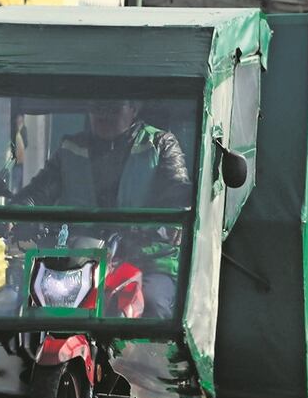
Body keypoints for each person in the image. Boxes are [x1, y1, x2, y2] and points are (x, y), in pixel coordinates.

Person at [15, 100, 191, 318]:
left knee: (153, 305)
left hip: (148, 258)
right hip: (79, 258)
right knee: (34, 309)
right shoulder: (70, 147)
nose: (103, 115)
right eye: (97, 107)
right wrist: (16, 214)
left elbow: (178, 189)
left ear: (135, 108)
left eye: (113, 108)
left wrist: (175, 218)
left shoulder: (161, 143)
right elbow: (38, 191)